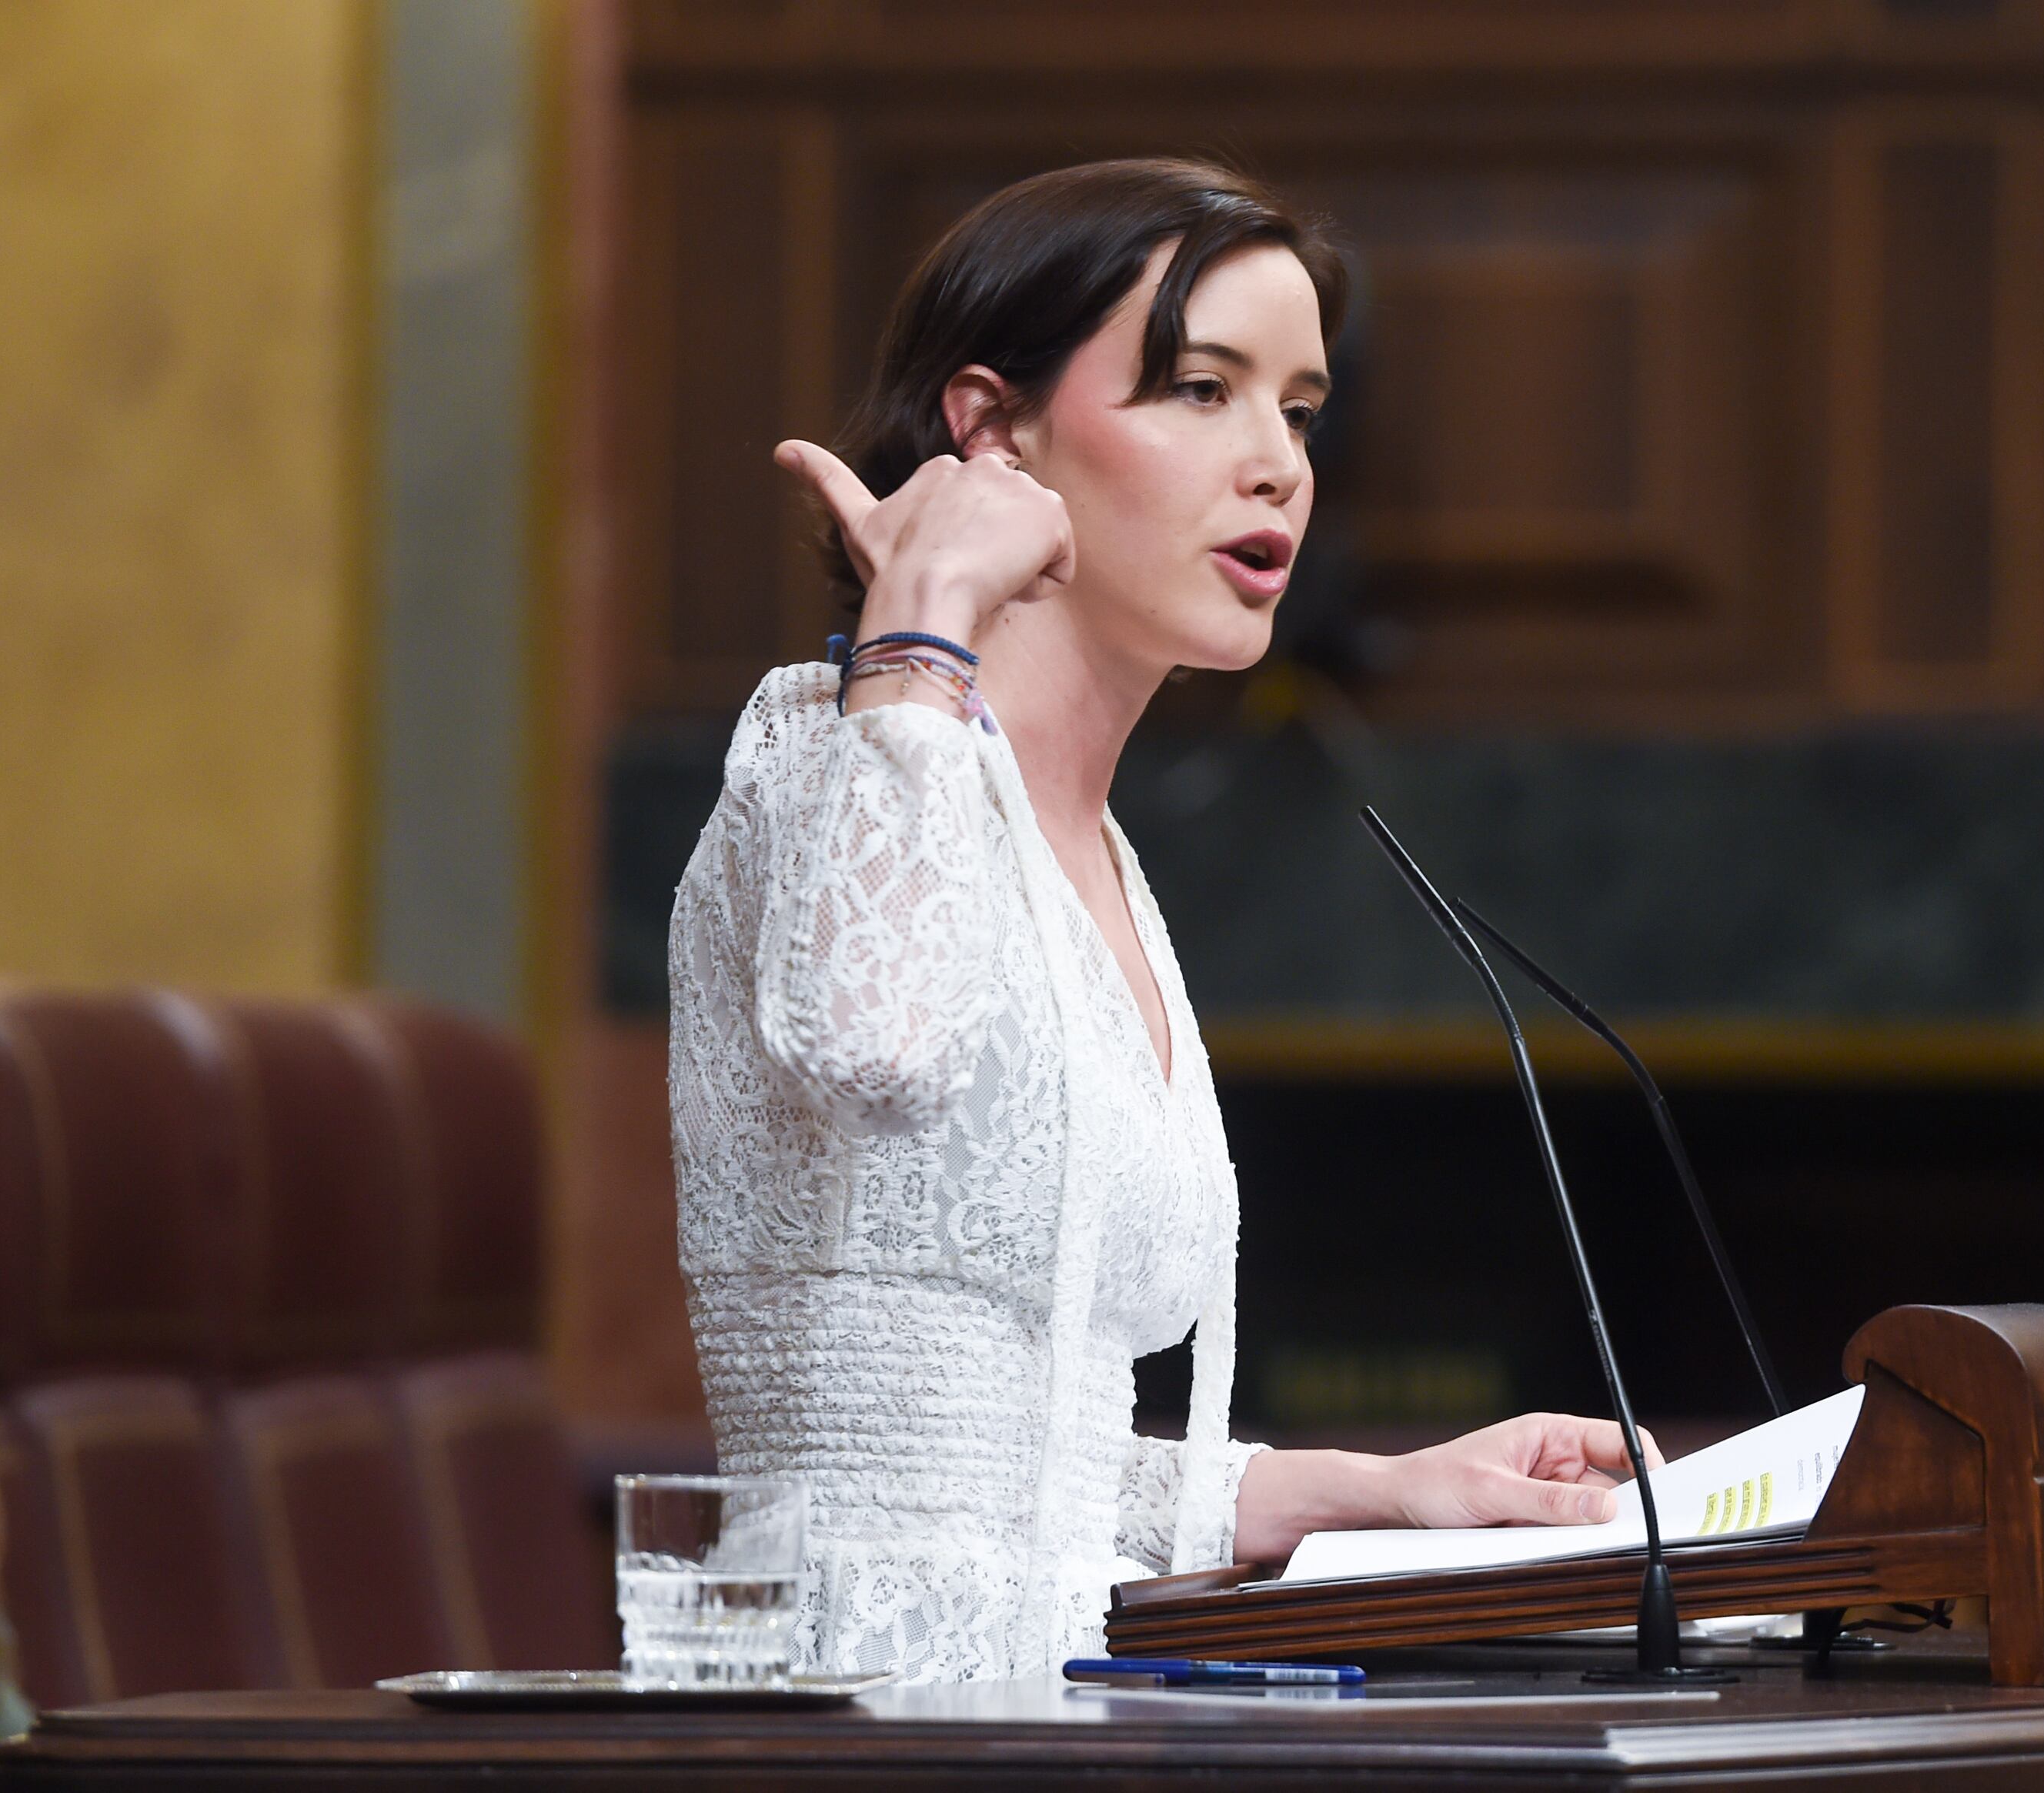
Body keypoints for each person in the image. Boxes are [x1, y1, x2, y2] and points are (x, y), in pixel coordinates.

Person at [668, 158, 1652, 1684]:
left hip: (1068, 1687)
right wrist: (916, 626)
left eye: (1301, 411)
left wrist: (1387, 1487)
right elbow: (872, 1044)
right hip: (850, 1705)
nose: (1276, 465)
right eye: (1201, 390)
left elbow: (1031, 1475)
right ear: (992, 429)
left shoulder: (1098, 853)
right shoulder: (830, 750)